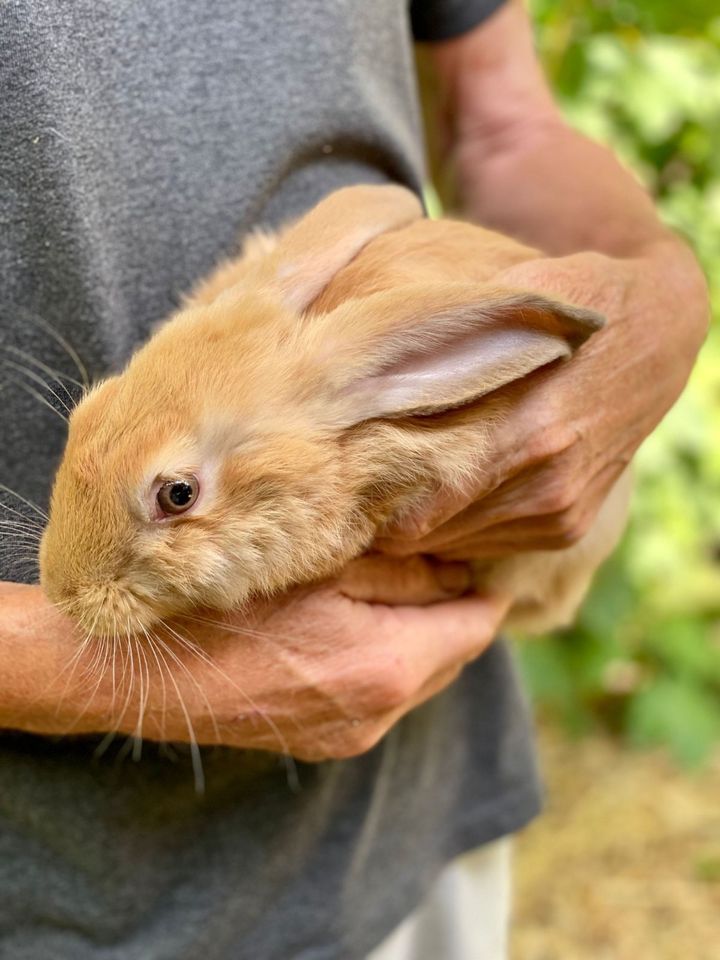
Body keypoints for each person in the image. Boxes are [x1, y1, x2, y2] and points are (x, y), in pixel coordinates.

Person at [0, 1, 706, 958]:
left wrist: (668, 297)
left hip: (411, 814)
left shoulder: (339, 397)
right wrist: (56, 668)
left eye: (176, 501)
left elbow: (504, 119)